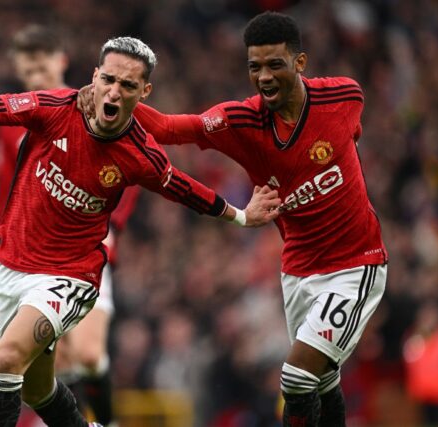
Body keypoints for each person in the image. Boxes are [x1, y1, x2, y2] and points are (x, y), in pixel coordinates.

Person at [0, 36, 282, 427]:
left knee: (4, 360)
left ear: (144, 91)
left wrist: (241, 216)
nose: (114, 91)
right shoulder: (54, 107)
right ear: (94, 76)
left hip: (68, 276)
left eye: (127, 85)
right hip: (13, 268)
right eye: (108, 79)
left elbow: (183, 188)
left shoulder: (140, 153)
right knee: (36, 390)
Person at [79, 11, 388, 427]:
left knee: (296, 376)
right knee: (321, 381)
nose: (262, 76)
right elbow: (172, 128)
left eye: (274, 64)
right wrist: (109, 98)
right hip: (298, 269)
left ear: (299, 63)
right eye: (254, 66)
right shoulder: (240, 122)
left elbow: (353, 127)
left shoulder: (343, 97)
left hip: (356, 262)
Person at [0, 24, 141, 426]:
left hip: (81, 251)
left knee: (89, 355)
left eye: (41, 68)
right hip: (30, 256)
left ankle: (106, 421)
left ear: (61, 62)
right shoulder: (14, 122)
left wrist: (115, 226)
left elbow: (135, 166)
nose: (35, 78)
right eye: (27, 71)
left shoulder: (93, 107)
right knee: (45, 371)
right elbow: (7, 192)